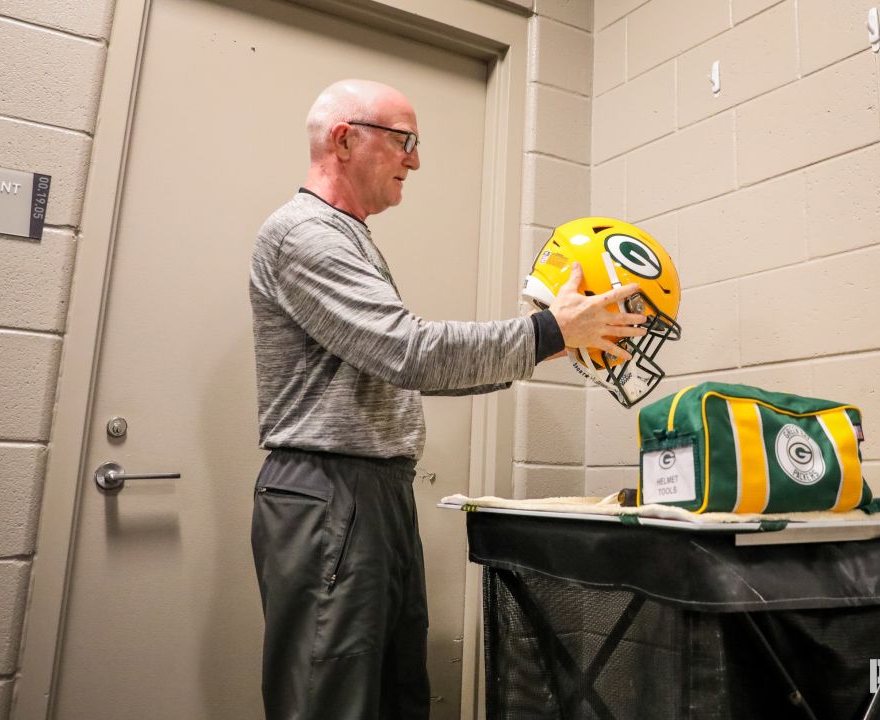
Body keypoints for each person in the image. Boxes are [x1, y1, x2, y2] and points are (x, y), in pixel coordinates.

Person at [248, 78, 646, 719]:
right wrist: (547, 332)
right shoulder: (304, 236)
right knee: (329, 699)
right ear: (345, 139)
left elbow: (402, 364)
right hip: (328, 494)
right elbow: (408, 352)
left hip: (370, 494)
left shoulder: (348, 237)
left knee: (396, 692)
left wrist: (551, 342)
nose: (415, 160)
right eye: (403, 140)